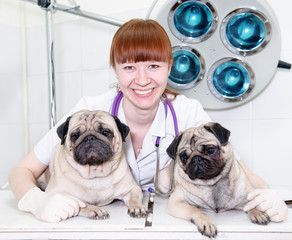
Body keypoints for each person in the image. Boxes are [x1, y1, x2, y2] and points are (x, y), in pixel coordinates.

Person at [9, 19, 288, 223]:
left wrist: (267, 196)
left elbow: (238, 169)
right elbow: (21, 172)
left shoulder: (188, 112)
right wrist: (37, 202)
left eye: (153, 66)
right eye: (129, 67)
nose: (142, 80)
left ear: (170, 67)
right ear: (116, 70)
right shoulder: (89, 110)